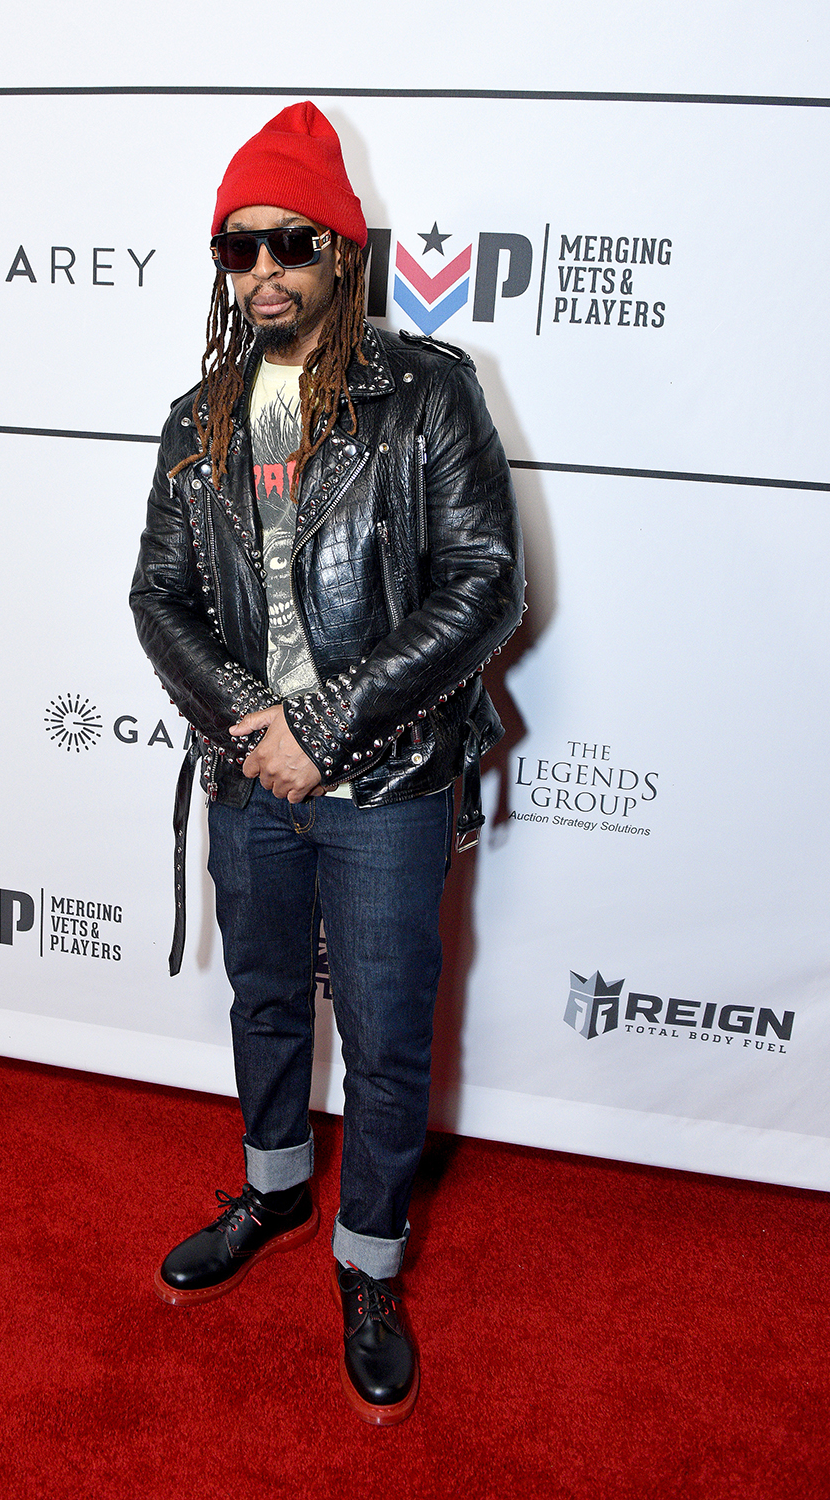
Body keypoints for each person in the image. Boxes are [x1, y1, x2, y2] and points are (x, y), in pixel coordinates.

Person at [130, 101, 524, 1426]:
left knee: (390, 1035)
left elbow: (483, 590)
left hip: (389, 782)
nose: (263, 276)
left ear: (341, 251)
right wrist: (257, 725)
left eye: (289, 243)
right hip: (253, 780)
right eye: (237, 253)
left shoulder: (426, 392)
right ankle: (277, 1190)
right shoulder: (200, 418)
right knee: (262, 1006)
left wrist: (328, 725)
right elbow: (158, 598)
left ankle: (369, 1263)